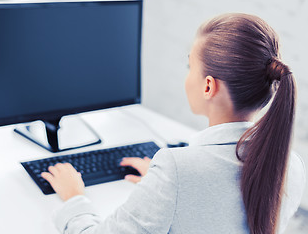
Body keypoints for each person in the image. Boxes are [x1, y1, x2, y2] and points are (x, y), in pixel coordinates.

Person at [41, 13, 306, 234]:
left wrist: (74, 198)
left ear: (208, 86)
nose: (187, 76)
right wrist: (163, 187)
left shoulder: (178, 170)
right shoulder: (289, 165)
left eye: (189, 65)